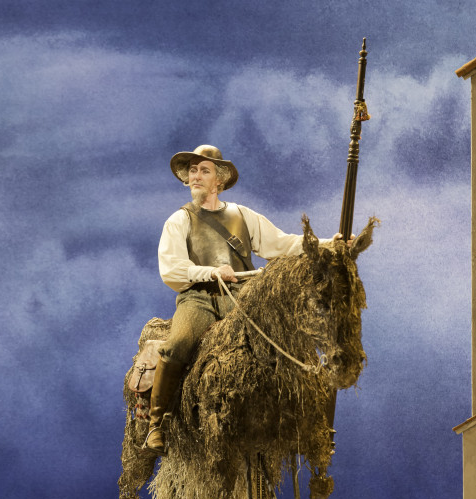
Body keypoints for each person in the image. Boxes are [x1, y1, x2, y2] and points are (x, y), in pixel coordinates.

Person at [144, 145, 348, 454]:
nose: (196, 176)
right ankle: (157, 423)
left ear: (219, 180)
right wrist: (211, 272)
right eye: (193, 171)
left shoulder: (242, 215)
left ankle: (295, 416)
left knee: (278, 337)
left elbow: (281, 244)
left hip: (242, 294)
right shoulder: (178, 220)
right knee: (180, 341)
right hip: (198, 298)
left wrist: (325, 245)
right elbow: (171, 268)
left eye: (205, 171)